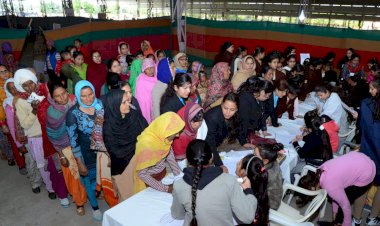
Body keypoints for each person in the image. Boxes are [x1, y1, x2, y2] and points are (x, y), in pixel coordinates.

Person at [171, 139, 257, 226]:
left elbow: (177, 215)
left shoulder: (179, 185)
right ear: (212, 157)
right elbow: (248, 217)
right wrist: (248, 190)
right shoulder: (229, 181)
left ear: (188, 160)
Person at [299, 151, 375, 226]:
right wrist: (334, 213)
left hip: (368, 171)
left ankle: (340, 223)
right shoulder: (319, 171)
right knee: (340, 196)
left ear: (313, 188)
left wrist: (346, 224)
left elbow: (346, 206)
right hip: (361, 157)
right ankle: (336, 221)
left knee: (346, 199)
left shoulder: (330, 186)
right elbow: (335, 194)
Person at [13, 69, 57, 198]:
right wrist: (34, 110)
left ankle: (59, 184)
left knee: (55, 162)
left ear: (34, 81)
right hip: (36, 137)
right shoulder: (20, 101)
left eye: (30, 83)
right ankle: (50, 188)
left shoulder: (43, 92)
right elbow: (24, 124)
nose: (29, 87)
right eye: (25, 85)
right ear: (20, 87)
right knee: (42, 165)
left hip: (50, 132)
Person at [46, 82, 87, 215]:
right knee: (74, 176)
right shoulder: (52, 113)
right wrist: (61, 155)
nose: (62, 98)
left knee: (88, 171)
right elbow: (53, 136)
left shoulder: (76, 102)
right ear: (53, 98)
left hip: (82, 143)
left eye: (64, 93)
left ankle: (91, 194)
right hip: (66, 148)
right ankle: (79, 202)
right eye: (58, 96)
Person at [66, 80, 104, 221]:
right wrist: (79, 162)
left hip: (102, 151)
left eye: (90, 94)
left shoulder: (99, 104)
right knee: (88, 180)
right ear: (77, 96)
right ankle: (95, 207)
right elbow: (73, 140)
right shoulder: (73, 114)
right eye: (84, 96)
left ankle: (99, 192)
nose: (88, 99)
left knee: (102, 176)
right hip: (85, 153)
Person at [102, 88, 148, 201]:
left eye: (128, 100)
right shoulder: (109, 126)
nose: (128, 104)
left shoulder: (134, 115)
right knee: (128, 198)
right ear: (114, 105)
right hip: (123, 168)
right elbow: (116, 152)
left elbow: (146, 133)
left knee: (142, 196)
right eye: (124, 102)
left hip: (140, 163)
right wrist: (137, 147)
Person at [133, 112, 184, 194]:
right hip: (148, 182)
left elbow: (169, 156)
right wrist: (166, 189)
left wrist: (179, 176)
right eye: (176, 132)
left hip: (162, 176)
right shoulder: (146, 145)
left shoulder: (163, 136)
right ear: (167, 130)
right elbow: (142, 174)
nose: (178, 135)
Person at [356, 77, 380, 226]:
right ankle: (372, 218)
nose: (370, 91)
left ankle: (356, 219)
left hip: (369, 152)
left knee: (362, 187)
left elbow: (363, 127)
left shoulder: (366, 104)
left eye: (372, 88)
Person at [204, 92, 238, 167]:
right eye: (225, 108)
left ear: (237, 109)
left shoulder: (236, 113)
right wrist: (219, 164)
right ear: (221, 104)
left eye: (232, 110)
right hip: (206, 143)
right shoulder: (212, 117)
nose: (228, 112)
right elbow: (210, 141)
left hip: (219, 139)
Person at [237, 77, 274, 147]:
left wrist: (257, 129)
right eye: (267, 95)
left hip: (249, 131)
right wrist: (243, 142)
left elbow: (262, 113)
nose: (268, 98)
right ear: (262, 91)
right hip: (240, 133)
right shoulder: (245, 98)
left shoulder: (258, 96)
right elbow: (243, 121)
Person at [235, 154, 270, 225]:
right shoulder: (260, 188)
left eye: (239, 164)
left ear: (244, 172)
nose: (236, 164)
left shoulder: (240, 193)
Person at [3, 78, 27, 174]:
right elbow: (12, 128)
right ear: (8, 91)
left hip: (34, 134)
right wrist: (19, 145)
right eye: (11, 88)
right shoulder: (9, 105)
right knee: (30, 161)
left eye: (15, 86)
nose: (15, 90)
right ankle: (35, 182)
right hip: (23, 138)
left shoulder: (27, 96)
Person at [251, 143, 283, 210]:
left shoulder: (267, 175)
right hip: (268, 195)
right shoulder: (272, 161)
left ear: (265, 161)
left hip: (269, 204)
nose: (252, 157)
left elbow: (254, 189)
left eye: (255, 155)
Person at [135, 58, 157, 123]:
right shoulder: (141, 80)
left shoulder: (157, 78)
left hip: (155, 105)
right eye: (147, 68)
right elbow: (139, 97)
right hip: (145, 107)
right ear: (144, 69)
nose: (150, 70)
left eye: (152, 67)